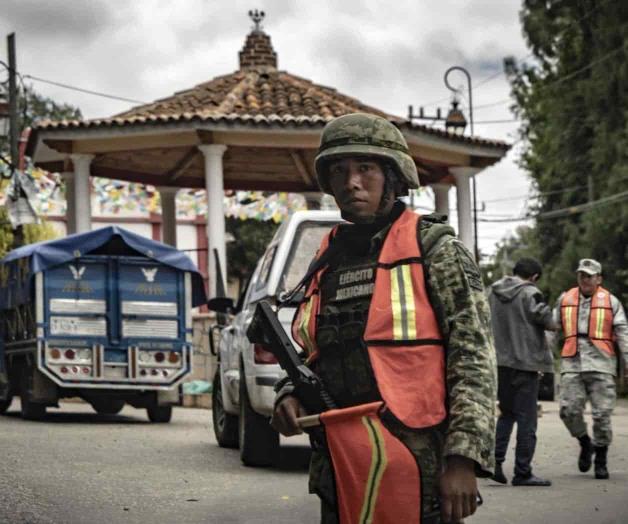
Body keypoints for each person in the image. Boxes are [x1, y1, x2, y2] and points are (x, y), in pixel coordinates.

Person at [271, 113, 496, 524]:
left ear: (393, 176)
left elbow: (474, 356)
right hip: (342, 462)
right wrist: (288, 392)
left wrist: (464, 458)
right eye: (338, 170)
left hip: (417, 459)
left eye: (365, 168)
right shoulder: (328, 257)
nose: (350, 182)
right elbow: (313, 348)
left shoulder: (435, 248)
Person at [554, 258, 628, 479]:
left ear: (599, 279)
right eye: (581, 275)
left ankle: (602, 459)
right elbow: (552, 329)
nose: (585, 279)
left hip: (601, 362)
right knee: (568, 410)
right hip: (572, 360)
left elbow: (623, 333)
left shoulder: (611, 302)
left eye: (589, 275)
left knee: (602, 414)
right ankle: (585, 443)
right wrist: (542, 361)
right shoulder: (565, 299)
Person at [488, 258, 554, 487]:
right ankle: (522, 472)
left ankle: (494, 464)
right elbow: (548, 321)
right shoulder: (531, 293)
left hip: (501, 363)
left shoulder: (493, 292)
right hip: (526, 365)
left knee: (506, 414)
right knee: (527, 420)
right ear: (534, 276)